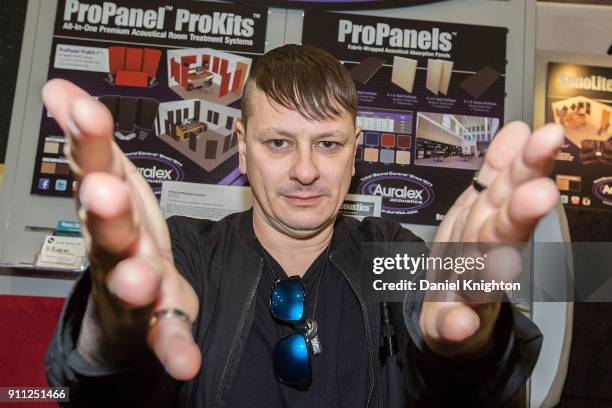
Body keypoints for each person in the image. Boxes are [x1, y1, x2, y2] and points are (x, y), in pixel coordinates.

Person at [43, 44, 563, 407]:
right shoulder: (187, 251)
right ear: (242, 146)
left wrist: (471, 350)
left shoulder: (393, 253)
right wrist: (113, 335)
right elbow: (86, 384)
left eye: (328, 144)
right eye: (278, 142)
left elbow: (470, 380)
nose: (306, 169)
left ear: (354, 151)